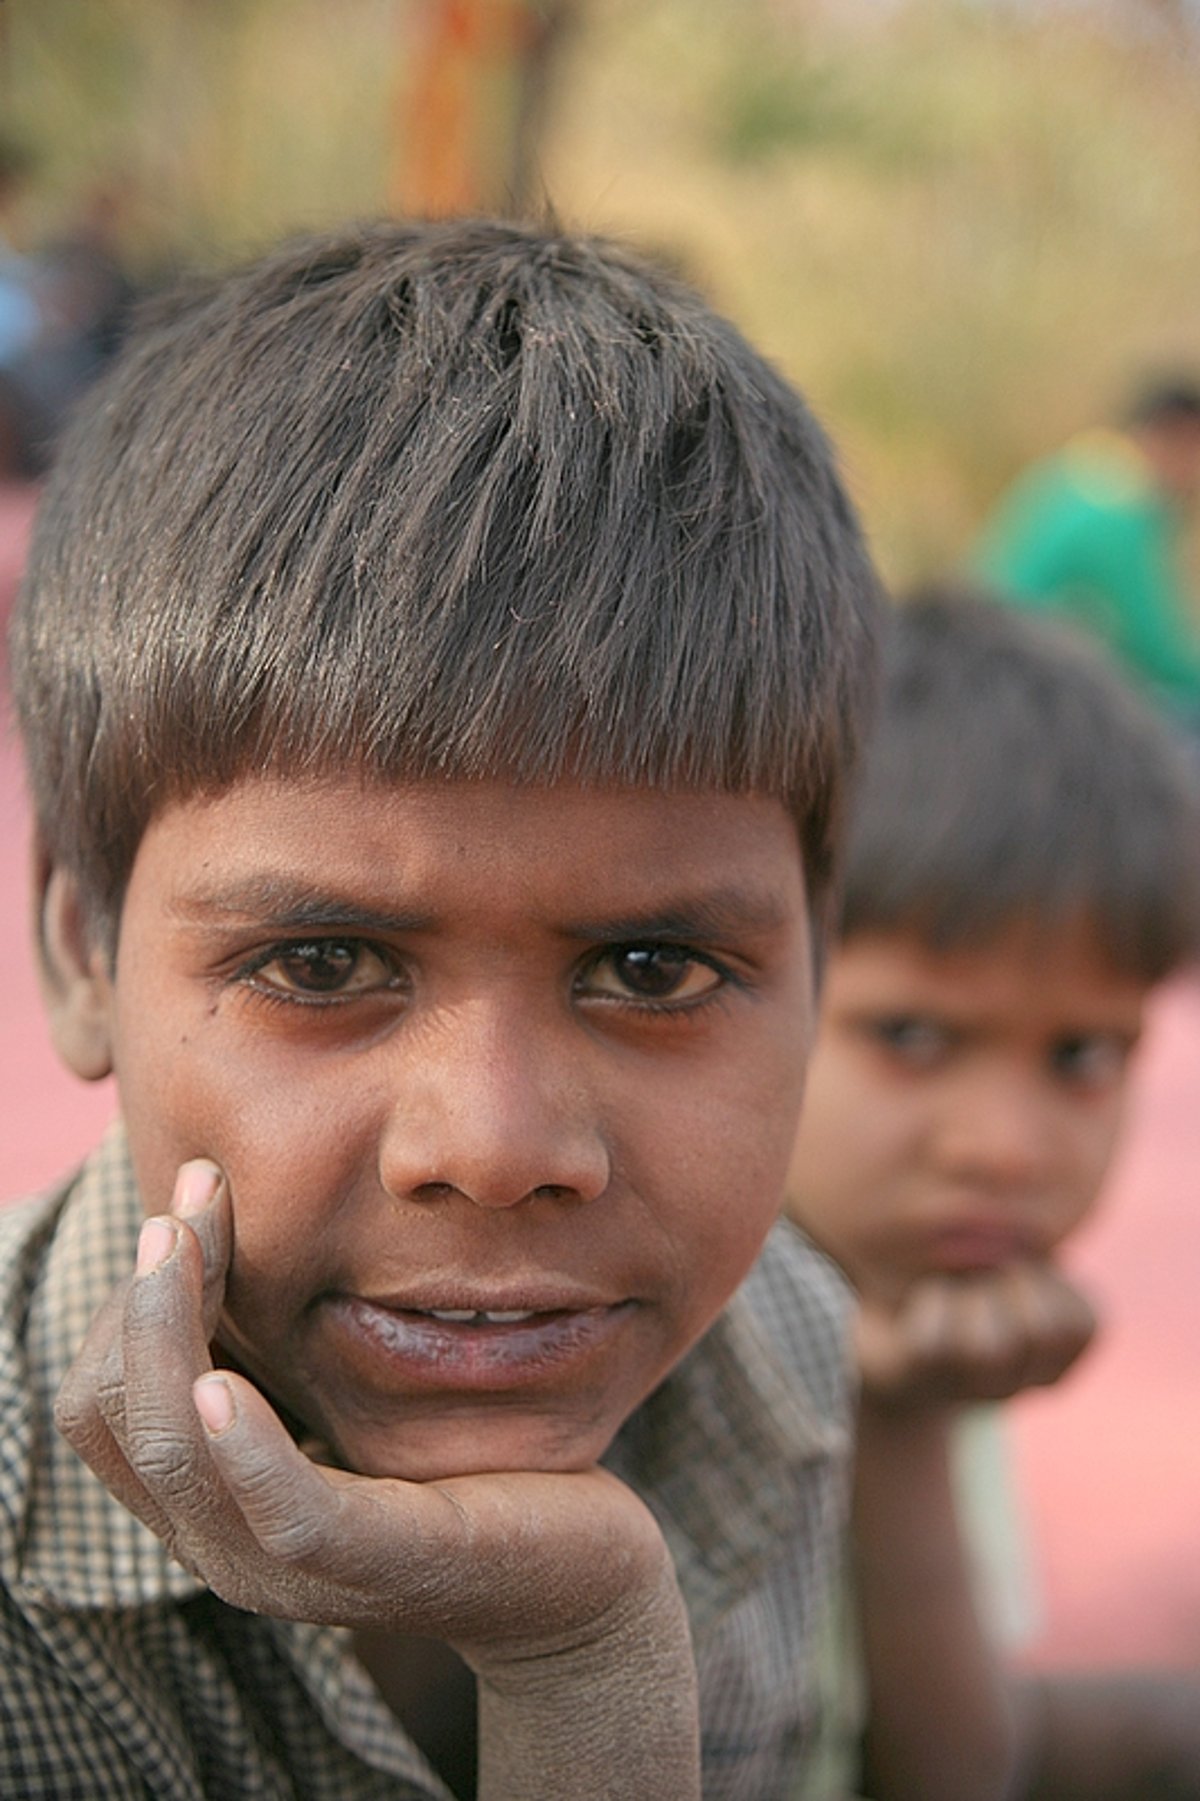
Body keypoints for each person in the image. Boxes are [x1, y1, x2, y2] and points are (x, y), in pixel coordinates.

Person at [1, 218, 879, 1799]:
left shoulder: (791, 1348)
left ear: (823, 953)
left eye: (653, 968)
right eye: (322, 963)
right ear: (80, 949)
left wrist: (586, 1649)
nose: (494, 1147)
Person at [785, 589, 1200, 1801]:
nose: (1006, 1148)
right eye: (912, 1033)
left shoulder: (922, 1315)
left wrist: (909, 1415)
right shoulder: (644, 1333)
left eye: (1081, 1055)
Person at [974, 379, 1200, 723]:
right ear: (1176, 435)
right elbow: (1154, 646)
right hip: (1010, 678)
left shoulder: (1084, 473)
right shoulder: (1123, 506)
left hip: (979, 655)